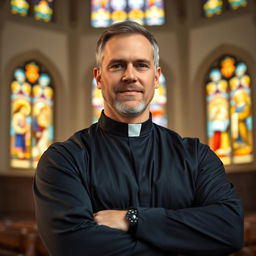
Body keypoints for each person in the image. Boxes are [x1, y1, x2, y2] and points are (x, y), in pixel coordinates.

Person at [33, 21, 243, 256]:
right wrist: (185, 242)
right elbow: (73, 246)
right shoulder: (63, 160)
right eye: (117, 65)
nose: (130, 76)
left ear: (156, 77)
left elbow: (230, 229)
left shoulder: (196, 156)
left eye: (141, 65)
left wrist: (132, 219)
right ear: (99, 77)